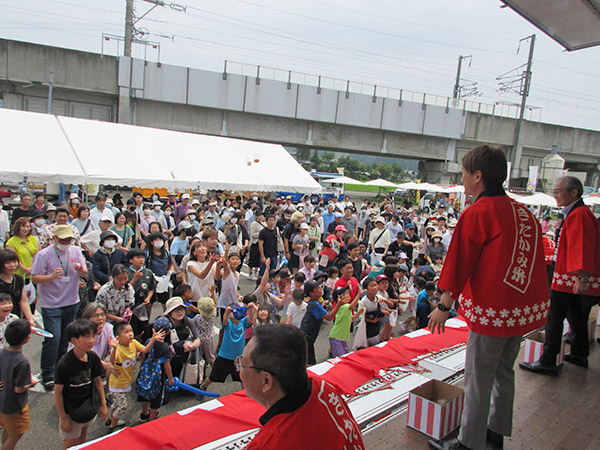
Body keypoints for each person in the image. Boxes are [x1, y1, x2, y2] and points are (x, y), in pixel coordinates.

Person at [428, 145, 549, 450]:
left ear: (478, 176)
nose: (463, 179)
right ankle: (495, 432)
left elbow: (459, 261)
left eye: (464, 174)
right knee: (503, 373)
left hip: (492, 310)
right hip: (519, 311)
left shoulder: (479, 212)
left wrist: (444, 305)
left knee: (478, 378)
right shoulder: (526, 214)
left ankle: (469, 443)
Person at [520, 175, 600, 374]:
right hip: (569, 277)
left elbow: (582, 248)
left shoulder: (579, 215)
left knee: (554, 317)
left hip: (568, 278)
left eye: (558, 191)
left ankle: (547, 361)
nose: (555, 195)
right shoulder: (577, 213)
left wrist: (581, 277)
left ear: (574, 193)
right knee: (576, 316)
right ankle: (580, 353)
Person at [240, 324, 365, 449]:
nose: (239, 371)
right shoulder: (323, 388)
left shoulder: (266, 444)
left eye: (242, 364)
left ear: (266, 381)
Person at [32, 225, 88, 391]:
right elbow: (35, 278)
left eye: (68, 239)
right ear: (54, 239)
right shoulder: (44, 255)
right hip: (51, 304)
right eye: (62, 240)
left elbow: (85, 273)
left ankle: (60, 367)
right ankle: (47, 373)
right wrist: (51, 276)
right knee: (53, 338)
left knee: (65, 337)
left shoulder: (76, 251)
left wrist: (81, 270)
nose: (66, 242)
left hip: (71, 301)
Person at [54, 319, 108, 450]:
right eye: (86, 337)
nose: (91, 340)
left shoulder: (92, 357)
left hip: (88, 406)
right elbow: (58, 392)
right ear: (74, 340)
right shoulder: (64, 364)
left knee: (83, 436)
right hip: (71, 411)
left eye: (93, 336)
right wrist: (63, 417)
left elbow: (97, 381)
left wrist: (103, 404)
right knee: (70, 442)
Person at [107, 321, 165, 432]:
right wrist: (114, 348)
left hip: (126, 382)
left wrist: (153, 339)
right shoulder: (118, 348)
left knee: (116, 404)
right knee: (122, 406)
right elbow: (112, 361)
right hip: (117, 384)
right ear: (118, 338)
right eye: (126, 332)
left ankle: (111, 419)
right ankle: (113, 427)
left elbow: (145, 349)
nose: (130, 334)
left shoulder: (133, 343)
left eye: (131, 331)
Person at [199, 301, 257, 391]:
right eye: (233, 312)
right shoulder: (228, 324)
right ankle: (203, 386)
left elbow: (250, 318)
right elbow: (225, 319)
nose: (236, 314)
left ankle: (245, 393)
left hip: (238, 358)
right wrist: (227, 311)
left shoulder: (242, 323)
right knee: (213, 376)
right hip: (224, 357)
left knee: (242, 378)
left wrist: (252, 309)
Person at [0, 319, 37, 450]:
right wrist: (31, 383)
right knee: (16, 434)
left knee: (9, 429)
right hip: (14, 405)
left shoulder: (2, 353)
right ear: (27, 338)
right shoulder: (22, 362)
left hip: (2, 400)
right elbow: (19, 388)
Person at [137, 317, 175, 423]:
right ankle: (151, 418)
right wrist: (171, 379)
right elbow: (167, 365)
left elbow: (143, 354)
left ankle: (144, 413)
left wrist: (141, 365)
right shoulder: (166, 348)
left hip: (146, 369)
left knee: (144, 393)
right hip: (158, 375)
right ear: (168, 332)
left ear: (153, 330)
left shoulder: (149, 341)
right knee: (156, 398)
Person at [300, 279, 344, 365]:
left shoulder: (315, 303)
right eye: (317, 288)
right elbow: (329, 317)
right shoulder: (315, 304)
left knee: (305, 359)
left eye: (320, 287)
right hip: (307, 336)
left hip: (305, 335)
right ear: (311, 293)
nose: (320, 289)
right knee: (310, 363)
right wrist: (338, 304)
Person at [80, 303, 115, 378]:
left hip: (102, 365)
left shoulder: (109, 328)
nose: (100, 318)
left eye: (102, 315)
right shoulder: (82, 331)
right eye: (96, 315)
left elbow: (114, 348)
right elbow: (83, 356)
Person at [0, 250, 34, 325]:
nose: (12, 265)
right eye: (8, 263)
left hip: (14, 319)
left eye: (15, 262)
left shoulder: (18, 279)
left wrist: (30, 319)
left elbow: (23, 301)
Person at [329, 286, 364, 357]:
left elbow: (352, 318)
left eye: (347, 292)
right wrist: (359, 294)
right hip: (337, 337)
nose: (347, 294)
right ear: (339, 298)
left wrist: (358, 313)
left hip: (341, 337)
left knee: (344, 356)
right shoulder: (344, 307)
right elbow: (351, 306)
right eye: (344, 293)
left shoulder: (345, 307)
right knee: (340, 358)